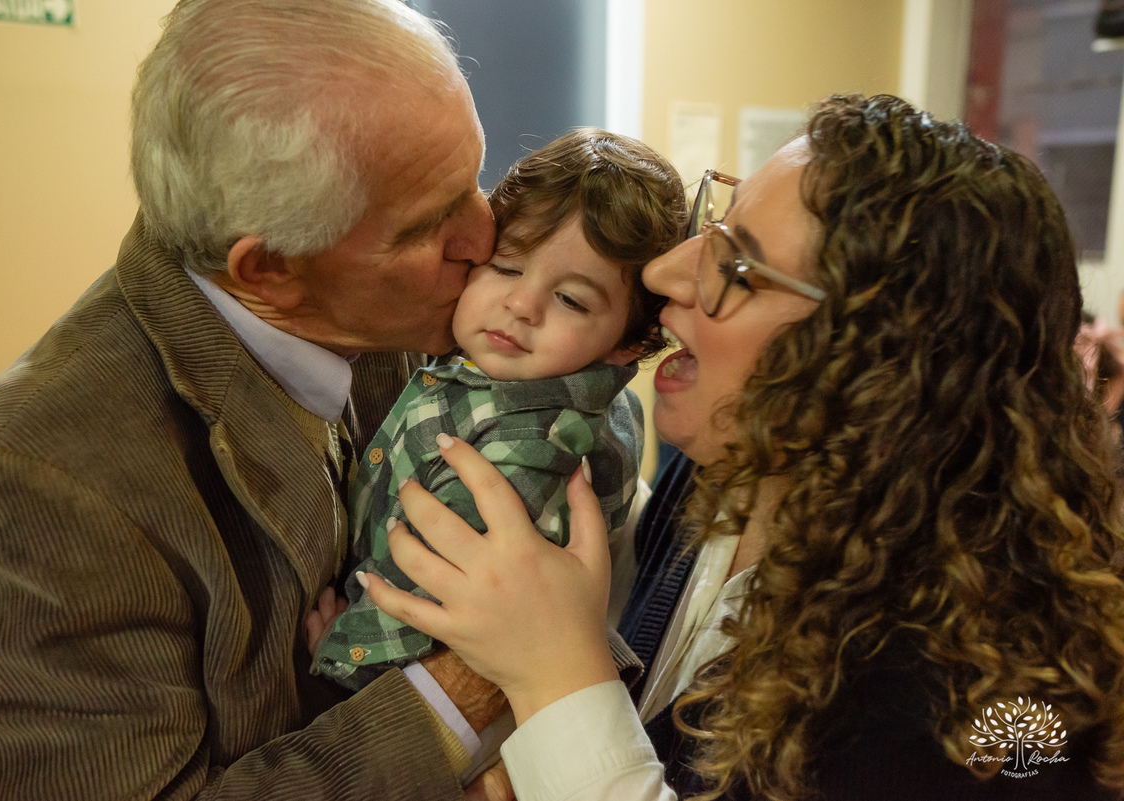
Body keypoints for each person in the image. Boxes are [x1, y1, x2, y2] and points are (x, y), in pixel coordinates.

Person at [365, 94, 1124, 800]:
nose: (662, 277)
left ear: (877, 362)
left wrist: (554, 676)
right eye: (710, 228)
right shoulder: (713, 477)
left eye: (734, 268)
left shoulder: (992, 708)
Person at [0, 0, 521, 798]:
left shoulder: (408, 309)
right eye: (431, 223)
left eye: (473, 179)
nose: (486, 239)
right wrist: (471, 683)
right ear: (268, 268)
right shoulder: (29, 490)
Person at [310, 128, 685, 691]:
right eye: (508, 267)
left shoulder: (529, 455)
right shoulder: (525, 377)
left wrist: (342, 658)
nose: (521, 304)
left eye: (571, 300)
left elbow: (428, 590)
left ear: (629, 343)